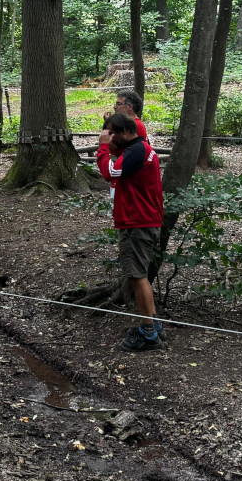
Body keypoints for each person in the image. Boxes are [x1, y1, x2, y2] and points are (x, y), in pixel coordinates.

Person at [98, 112, 165, 352]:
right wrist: (111, 144)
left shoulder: (137, 151)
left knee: (137, 276)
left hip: (137, 222)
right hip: (144, 220)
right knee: (140, 274)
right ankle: (155, 323)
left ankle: (148, 333)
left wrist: (103, 148)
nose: (110, 138)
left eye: (113, 133)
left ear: (125, 133)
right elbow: (121, 162)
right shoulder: (139, 148)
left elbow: (111, 172)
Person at [104, 89, 150, 199]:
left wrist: (104, 146)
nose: (115, 107)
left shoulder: (136, 126)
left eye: (119, 104)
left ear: (130, 107)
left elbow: (117, 147)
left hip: (128, 176)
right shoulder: (131, 125)